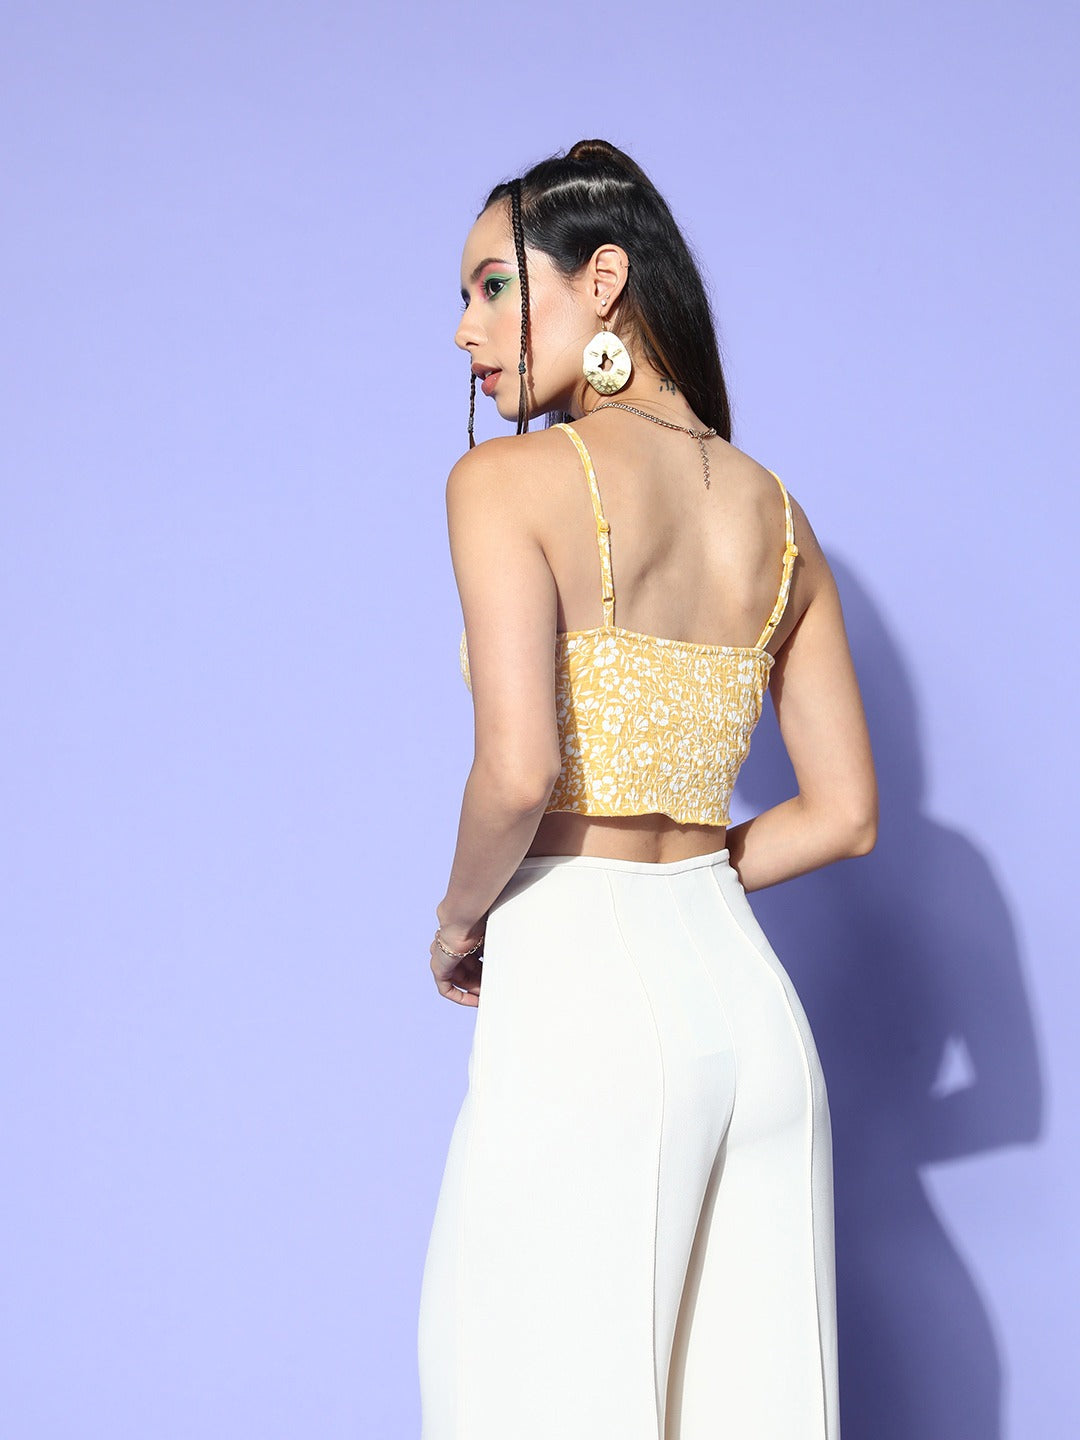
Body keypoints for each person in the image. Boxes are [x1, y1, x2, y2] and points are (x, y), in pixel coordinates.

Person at [416, 138, 877, 1440]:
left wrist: (458, 921)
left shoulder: (504, 483)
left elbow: (519, 770)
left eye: (493, 286)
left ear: (603, 279)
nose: (465, 331)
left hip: (585, 1007)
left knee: (526, 1399)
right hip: (753, 1019)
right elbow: (844, 814)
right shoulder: (778, 516)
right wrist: (689, 880)